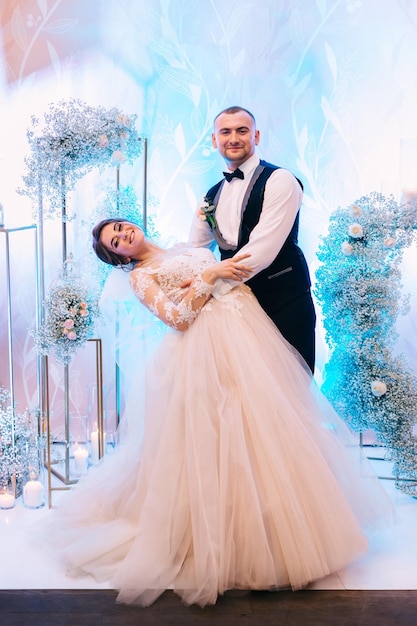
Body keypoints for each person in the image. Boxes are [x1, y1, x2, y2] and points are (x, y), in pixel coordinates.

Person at [45, 218, 392, 609]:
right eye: (116, 241)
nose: (125, 236)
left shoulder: (182, 245)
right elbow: (177, 318)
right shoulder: (141, 278)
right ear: (117, 257)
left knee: (270, 427)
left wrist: (213, 268)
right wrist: (209, 275)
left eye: (122, 228)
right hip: (205, 352)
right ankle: (233, 544)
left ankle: (289, 530)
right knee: (221, 435)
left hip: (247, 333)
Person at [189, 106, 316, 372]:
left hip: (283, 303)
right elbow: (194, 251)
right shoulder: (210, 196)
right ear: (214, 140)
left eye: (241, 130)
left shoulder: (281, 180)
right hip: (235, 311)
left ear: (256, 136)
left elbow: (261, 251)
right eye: (225, 132)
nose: (233, 138)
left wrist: (209, 286)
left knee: (289, 395)